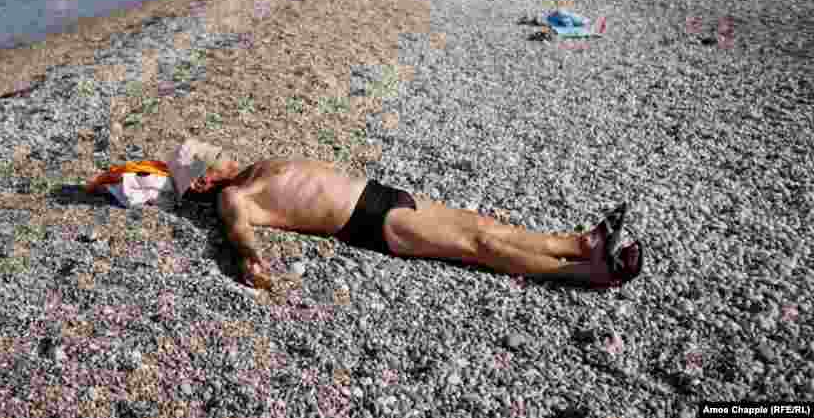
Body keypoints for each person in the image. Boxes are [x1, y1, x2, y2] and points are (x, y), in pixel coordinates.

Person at [177, 142, 644, 291]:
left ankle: (578, 244)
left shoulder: (258, 165)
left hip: (381, 194)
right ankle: (590, 273)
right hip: (369, 223)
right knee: (478, 248)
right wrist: (250, 259)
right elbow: (239, 230)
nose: (218, 150)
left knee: (484, 226)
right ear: (202, 182)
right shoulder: (234, 195)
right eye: (208, 155)